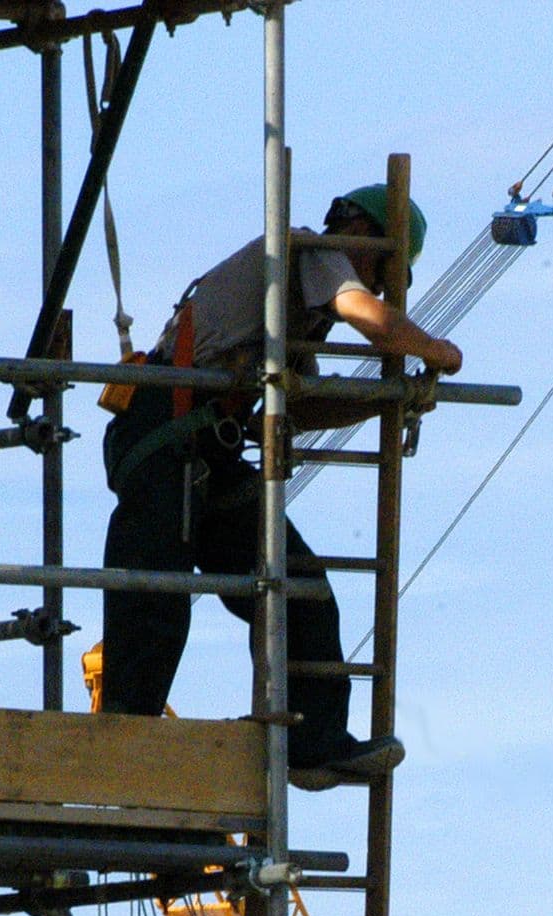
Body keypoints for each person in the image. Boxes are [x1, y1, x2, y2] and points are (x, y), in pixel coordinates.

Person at [100, 185, 464, 790]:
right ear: (361, 231)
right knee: (156, 600)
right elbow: (364, 313)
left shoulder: (295, 309)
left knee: (298, 588)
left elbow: (302, 404)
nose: (379, 288)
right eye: (383, 270)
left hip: (206, 446)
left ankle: (312, 743)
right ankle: (118, 747)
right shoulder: (311, 253)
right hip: (166, 430)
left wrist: (388, 401)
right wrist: (436, 351)